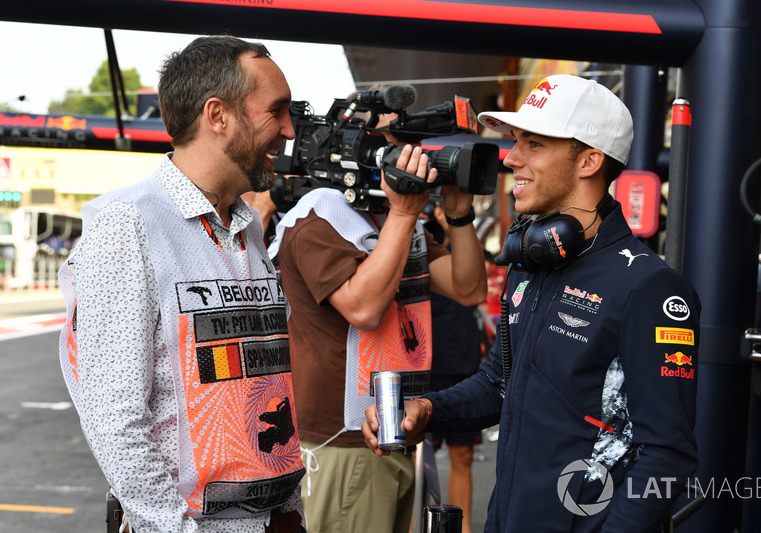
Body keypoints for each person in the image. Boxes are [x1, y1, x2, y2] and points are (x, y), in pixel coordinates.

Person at [363, 74, 701, 532]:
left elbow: (667, 454)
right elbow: (499, 383)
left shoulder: (650, 287)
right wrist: (429, 409)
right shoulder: (533, 265)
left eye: (534, 145)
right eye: (516, 142)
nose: (513, 159)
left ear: (589, 160)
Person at [58, 35, 307, 533]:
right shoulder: (127, 224)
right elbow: (115, 420)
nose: (289, 129)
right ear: (217, 115)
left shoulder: (247, 227)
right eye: (276, 111)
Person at [268, 103, 488, 531]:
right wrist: (405, 214)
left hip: (394, 430)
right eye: (392, 145)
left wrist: (459, 215)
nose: (410, 159)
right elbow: (363, 308)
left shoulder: (389, 218)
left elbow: (467, 288)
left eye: (412, 146)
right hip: (342, 441)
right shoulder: (320, 213)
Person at [424, 205, 483, 533]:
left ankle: (465, 529)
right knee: (420, 462)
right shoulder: (417, 244)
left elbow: (475, 288)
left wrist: (460, 219)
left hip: (464, 365)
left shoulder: (466, 252)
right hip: (426, 369)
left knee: (463, 456)